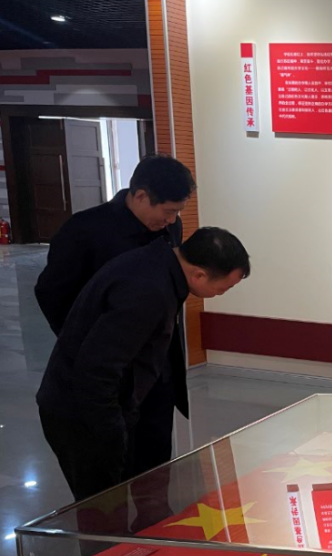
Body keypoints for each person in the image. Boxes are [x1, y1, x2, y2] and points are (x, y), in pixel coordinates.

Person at [37, 228, 250, 502]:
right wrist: (113, 433)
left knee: (124, 496)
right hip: (82, 415)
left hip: (106, 408)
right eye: (224, 288)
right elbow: (97, 370)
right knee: (102, 508)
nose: (222, 293)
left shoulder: (155, 264)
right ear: (199, 275)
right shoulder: (148, 291)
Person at [35, 155, 196, 478]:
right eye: (167, 211)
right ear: (140, 196)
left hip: (156, 370)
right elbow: (51, 293)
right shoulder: (85, 230)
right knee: (108, 474)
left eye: (177, 212)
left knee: (154, 468)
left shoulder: (169, 227)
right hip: (107, 376)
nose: (172, 220)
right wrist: (85, 344)